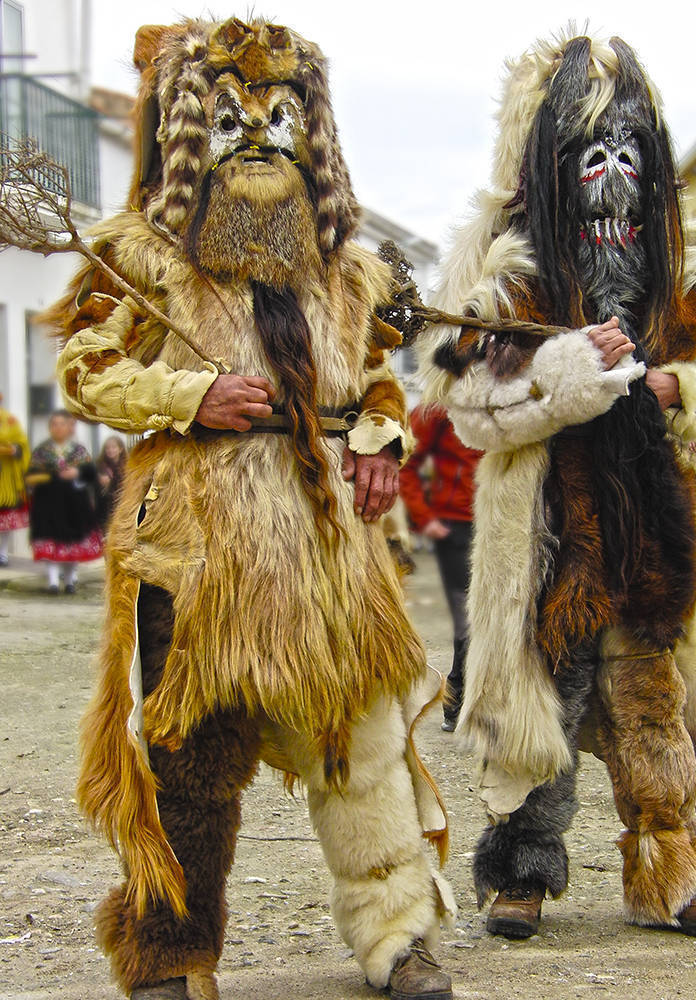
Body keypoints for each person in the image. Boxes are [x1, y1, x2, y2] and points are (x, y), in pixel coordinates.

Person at [44, 18, 452, 1000]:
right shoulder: (138, 257)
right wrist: (187, 396)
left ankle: (398, 938)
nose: (259, 138)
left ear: (314, 135)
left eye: (278, 118)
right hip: (199, 556)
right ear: (188, 134)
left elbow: (382, 387)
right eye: (230, 119)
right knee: (189, 765)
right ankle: (171, 954)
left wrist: (376, 440)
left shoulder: (349, 269)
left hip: (327, 556)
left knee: (360, 748)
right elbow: (83, 368)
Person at [417, 30, 696, 942]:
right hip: (546, 521)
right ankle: (521, 872)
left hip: (650, 510)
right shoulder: (500, 265)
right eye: (586, 156)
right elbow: (470, 407)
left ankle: (672, 862)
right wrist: (563, 371)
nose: (609, 179)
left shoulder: (679, 261)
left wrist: (687, 391)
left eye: (625, 156)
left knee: (652, 690)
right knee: (541, 691)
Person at [400, 404, 481, 731]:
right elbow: (405, 458)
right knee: (469, 618)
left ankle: (476, 700)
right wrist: (425, 517)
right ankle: (458, 698)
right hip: (457, 524)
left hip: (507, 520)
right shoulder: (440, 403)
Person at [27, 410, 103, 593]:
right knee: (49, 539)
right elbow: (31, 476)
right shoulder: (42, 452)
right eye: (54, 424)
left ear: (69, 427)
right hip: (48, 503)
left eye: (62, 424)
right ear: (50, 428)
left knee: (72, 542)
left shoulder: (78, 451)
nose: (58, 428)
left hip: (74, 504)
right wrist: (49, 476)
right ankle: (53, 581)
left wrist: (77, 473)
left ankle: (69, 581)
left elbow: (91, 473)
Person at [0, 393, 30, 567]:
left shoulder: (10, 421)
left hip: (6, 480)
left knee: (5, 521)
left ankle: (2, 554)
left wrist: (14, 449)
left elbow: (22, 444)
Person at [95, 435, 127, 532]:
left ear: (120, 449)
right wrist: (99, 481)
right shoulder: (100, 465)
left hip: (121, 503)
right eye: (107, 448)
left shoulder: (126, 465)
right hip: (104, 505)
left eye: (113, 447)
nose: (110, 450)